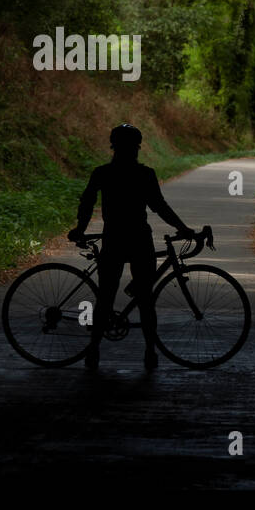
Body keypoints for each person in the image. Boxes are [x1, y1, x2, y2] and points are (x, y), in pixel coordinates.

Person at [67, 123, 196, 372]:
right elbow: (159, 206)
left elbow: (87, 202)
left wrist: (80, 229)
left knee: (105, 297)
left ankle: (93, 351)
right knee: (146, 300)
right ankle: (150, 353)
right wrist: (183, 228)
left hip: (113, 239)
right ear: (136, 148)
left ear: (113, 146)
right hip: (139, 239)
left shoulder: (102, 173)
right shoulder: (144, 174)